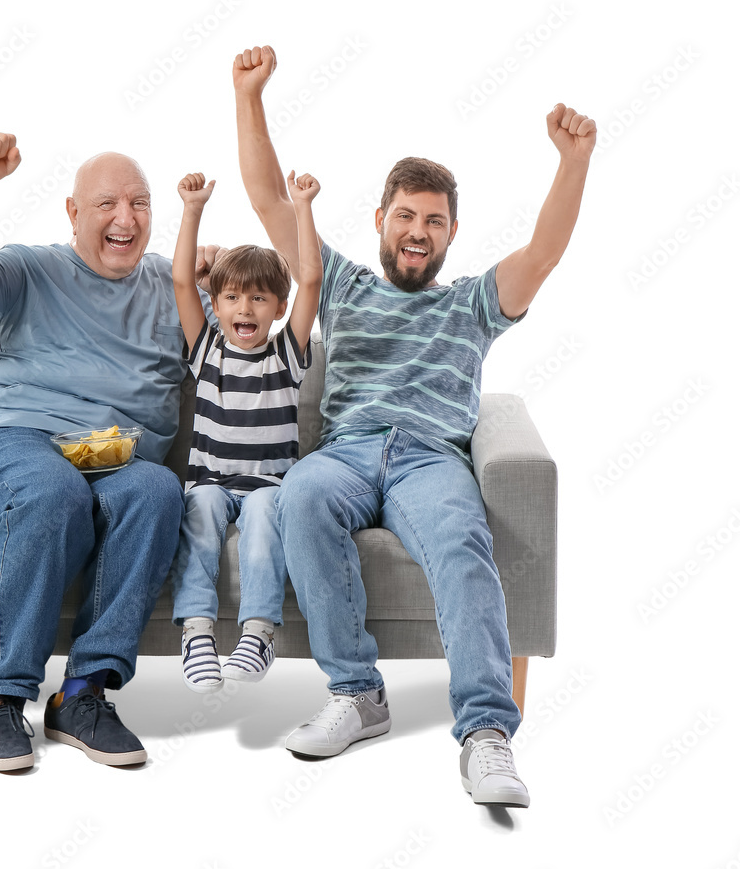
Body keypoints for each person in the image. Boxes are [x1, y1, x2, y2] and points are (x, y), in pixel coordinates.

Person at [232, 45, 596, 808]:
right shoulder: (341, 282)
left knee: (464, 542)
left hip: (431, 458)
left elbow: (545, 252)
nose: (418, 229)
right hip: (349, 451)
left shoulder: (472, 302)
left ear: (451, 234)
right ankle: (358, 694)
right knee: (301, 494)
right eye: (406, 214)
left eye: (434, 220)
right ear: (380, 220)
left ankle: (487, 733)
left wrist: (573, 160)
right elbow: (268, 197)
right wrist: (250, 96)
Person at [0, 132, 198, 772]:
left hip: (108, 455)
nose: (126, 218)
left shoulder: (174, 282)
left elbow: (249, 321)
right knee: (51, 490)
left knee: (157, 491)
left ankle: (83, 694)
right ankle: (1, 695)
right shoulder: (31, 269)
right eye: (107, 204)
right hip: (12, 440)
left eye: (140, 203)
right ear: (73, 213)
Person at [169, 170, 321, 692]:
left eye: (259, 299)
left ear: (279, 309)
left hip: (267, 488)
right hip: (209, 484)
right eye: (232, 298)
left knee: (261, 515)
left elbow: (313, 282)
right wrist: (192, 210)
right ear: (217, 307)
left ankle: (258, 633)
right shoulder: (207, 349)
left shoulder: (286, 355)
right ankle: (196, 632)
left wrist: (301, 207)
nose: (244, 309)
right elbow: (183, 281)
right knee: (201, 509)